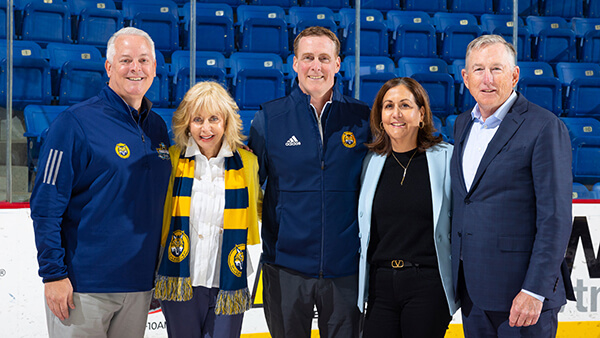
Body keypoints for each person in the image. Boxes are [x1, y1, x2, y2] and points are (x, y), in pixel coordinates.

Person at [31, 27, 172, 337]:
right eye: (126, 60)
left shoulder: (158, 127)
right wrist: (53, 275)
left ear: (154, 68)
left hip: (138, 287)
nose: (136, 68)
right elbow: (45, 205)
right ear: (108, 67)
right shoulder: (74, 123)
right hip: (83, 288)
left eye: (144, 60)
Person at [248, 26, 371, 338]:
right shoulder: (269, 118)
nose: (316, 66)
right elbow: (250, 186)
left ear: (338, 63)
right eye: (308, 57)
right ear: (294, 62)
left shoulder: (361, 118)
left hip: (345, 269)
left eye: (324, 58)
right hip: (285, 267)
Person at [452, 34, 575, 337]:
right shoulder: (462, 124)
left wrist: (534, 290)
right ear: (466, 78)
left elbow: (555, 218)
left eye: (497, 69)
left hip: (521, 298)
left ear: (515, 75)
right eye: (478, 70)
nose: (487, 79)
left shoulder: (544, 126)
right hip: (472, 294)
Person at [154, 81, 261, 338]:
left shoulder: (248, 163)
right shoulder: (171, 160)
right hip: (181, 278)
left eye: (214, 118)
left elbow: (258, 207)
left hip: (227, 280)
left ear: (226, 122)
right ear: (186, 124)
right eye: (198, 119)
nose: (206, 128)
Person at [357, 77, 459, 337]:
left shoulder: (447, 158)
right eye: (388, 106)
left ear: (421, 114)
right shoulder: (369, 163)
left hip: (427, 284)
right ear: (380, 116)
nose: (396, 113)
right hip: (380, 286)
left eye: (405, 105)